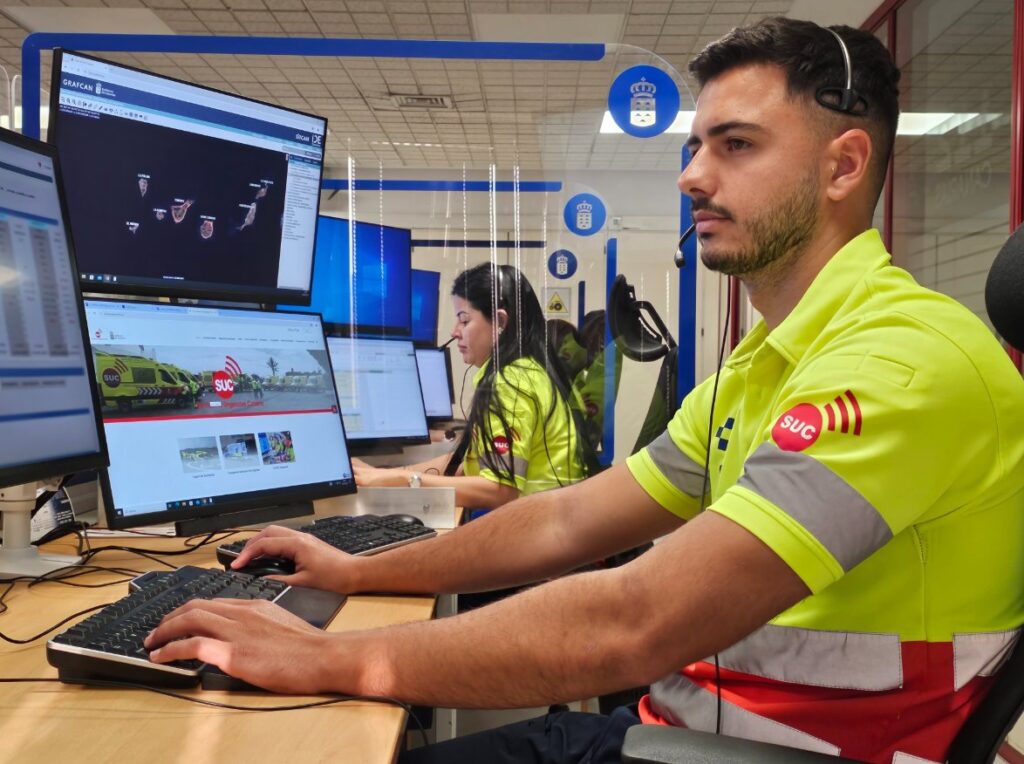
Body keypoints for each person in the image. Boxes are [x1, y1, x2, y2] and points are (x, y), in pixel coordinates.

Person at [144, 17, 1024, 764]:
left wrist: (329, 660)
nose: (691, 177)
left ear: (842, 167)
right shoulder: (761, 368)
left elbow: (634, 623)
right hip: (684, 732)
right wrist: (357, 567)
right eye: (693, 147)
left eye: (736, 145)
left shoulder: (903, 364)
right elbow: (567, 518)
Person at [352, 262, 596, 510]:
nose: (454, 332)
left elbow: (500, 490)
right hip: (549, 518)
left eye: (464, 320)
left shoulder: (510, 383)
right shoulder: (530, 369)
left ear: (500, 322)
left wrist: (402, 479)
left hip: (535, 528)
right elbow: (466, 465)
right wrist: (381, 476)